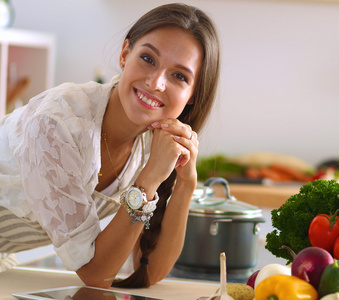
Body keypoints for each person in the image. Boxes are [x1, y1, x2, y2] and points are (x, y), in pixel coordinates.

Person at [0, 3, 221, 289]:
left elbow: (148, 272)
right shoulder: (58, 124)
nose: (156, 83)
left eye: (179, 76)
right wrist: (147, 180)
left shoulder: (154, 144)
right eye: (147, 58)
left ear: (193, 94)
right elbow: (95, 274)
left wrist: (187, 182)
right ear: (125, 54)